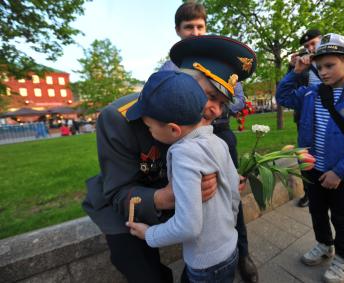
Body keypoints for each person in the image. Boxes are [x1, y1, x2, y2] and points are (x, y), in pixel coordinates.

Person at [82, 35, 256, 283]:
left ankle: (234, 258)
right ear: (181, 82)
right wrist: (165, 197)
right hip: (132, 197)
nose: (217, 111)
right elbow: (118, 192)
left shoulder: (205, 115)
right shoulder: (119, 118)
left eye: (222, 102)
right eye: (210, 95)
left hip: (185, 198)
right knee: (142, 270)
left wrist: (225, 178)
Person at [158, 3, 258, 282]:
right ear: (178, 31)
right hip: (184, 136)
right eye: (189, 27)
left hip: (220, 133)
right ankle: (202, 255)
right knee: (195, 197)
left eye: (200, 26)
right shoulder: (171, 65)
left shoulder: (222, 62)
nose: (195, 32)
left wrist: (212, 100)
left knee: (228, 191)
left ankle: (242, 251)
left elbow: (238, 100)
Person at [275, 33, 344, 283]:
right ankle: (324, 244)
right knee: (317, 210)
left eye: (330, 65)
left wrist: (340, 172)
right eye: (319, 67)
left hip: (340, 172)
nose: (323, 72)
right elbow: (283, 95)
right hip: (312, 167)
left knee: (340, 215)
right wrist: (295, 70)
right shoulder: (311, 94)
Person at [126, 70, 240, 283]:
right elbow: (234, 192)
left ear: (173, 129)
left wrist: (149, 234)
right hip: (230, 246)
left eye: (149, 128)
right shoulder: (219, 142)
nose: (149, 133)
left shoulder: (183, 153)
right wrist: (228, 226)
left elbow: (188, 226)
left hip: (205, 263)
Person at [287, 29, 323, 208]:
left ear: (322, 40)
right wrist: (293, 68)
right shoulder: (302, 64)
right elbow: (289, 91)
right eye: (307, 46)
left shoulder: (333, 57)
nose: (310, 47)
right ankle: (309, 193)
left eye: (313, 43)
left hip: (327, 117)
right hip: (304, 119)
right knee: (305, 157)